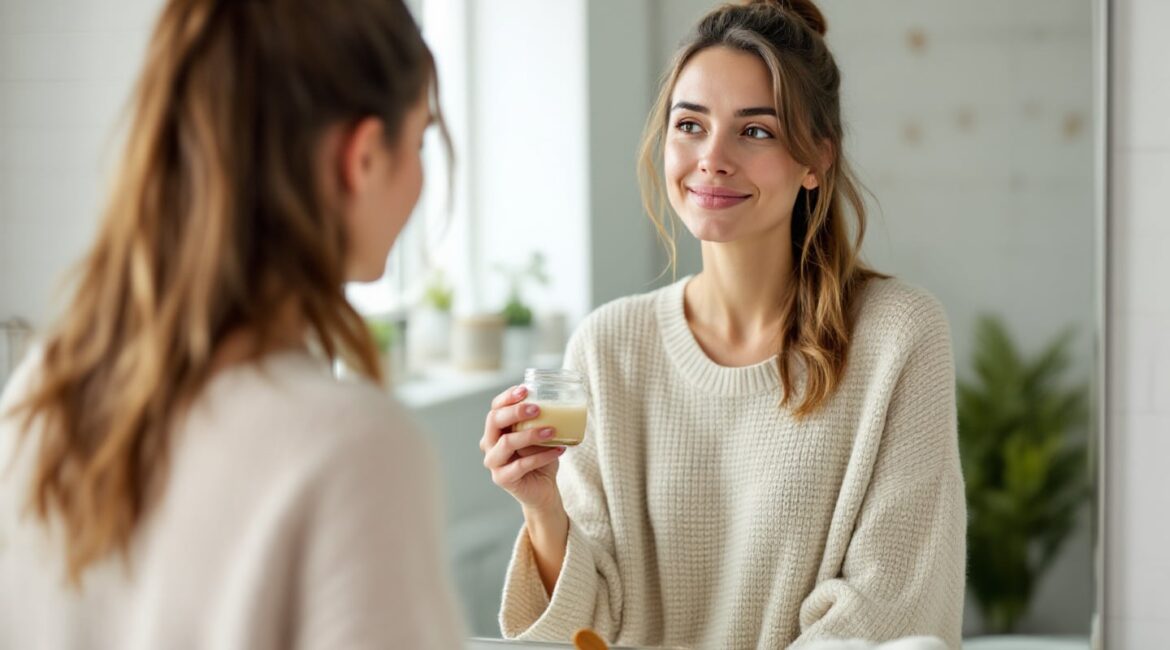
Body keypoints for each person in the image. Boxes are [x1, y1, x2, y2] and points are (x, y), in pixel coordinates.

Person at [479, 1, 966, 648]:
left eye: (756, 131)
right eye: (690, 125)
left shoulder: (899, 337)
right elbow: (584, 632)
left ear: (817, 158)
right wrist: (544, 510)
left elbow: (886, 612)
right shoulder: (608, 347)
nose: (712, 158)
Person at [0, 0, 463, 647]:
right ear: (360, 158)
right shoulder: (352, 452)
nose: (418, 176)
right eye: (415, 142)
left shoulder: (39, 397)